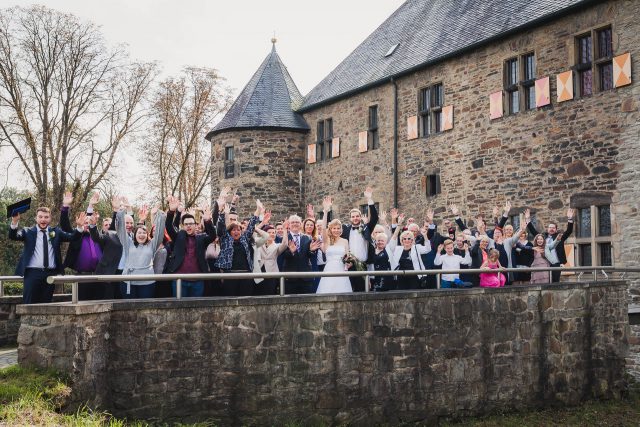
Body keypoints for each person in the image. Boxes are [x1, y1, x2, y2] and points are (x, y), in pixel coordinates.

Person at [9, 206, 85, 304]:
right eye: (40, 217)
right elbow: (13, 236)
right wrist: (14, 222)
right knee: (29, 304)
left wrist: (79, 227)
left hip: (50, 274)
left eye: (46, 217)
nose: (43, 219)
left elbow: (73, 237)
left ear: (50, 218)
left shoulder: (56, 232)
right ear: (36, 218)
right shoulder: (27, 231)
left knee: (46, 304)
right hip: (32, 274)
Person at [164, 194, 217, 298]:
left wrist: (207, 221)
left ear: (195, 225)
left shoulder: (201, 238)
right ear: (183, 226)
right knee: (179, 307)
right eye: (186, 224)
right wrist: (171, 211)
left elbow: (212, 236)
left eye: (191, 224)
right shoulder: (178, 237)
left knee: (196, 307)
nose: (189, 226)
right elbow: (169, 226)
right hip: (179, 280)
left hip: (197, 280)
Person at [327, 187, 378, 292]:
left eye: (357, 216)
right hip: (348, 265)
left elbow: (374, 218)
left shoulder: (366, 228)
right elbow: (331, 226)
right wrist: (327, 210)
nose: (355, 218)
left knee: (362, 291)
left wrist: (369, 199)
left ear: (360, 217)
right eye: (353, 216)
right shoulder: (345, 229)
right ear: (350, 218)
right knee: (348, 290)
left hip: (362, 265)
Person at [59, 191, 105, 300]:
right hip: (82, 277)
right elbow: (65, 225)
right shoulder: (77, 236)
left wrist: (91, 205)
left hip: (100, 277)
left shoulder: (98, 237)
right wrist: (65, 206)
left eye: (89, 224)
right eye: (84, 223)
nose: (87, 225)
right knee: (83, 303)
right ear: (79, 224)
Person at [117, 202, 166, 299]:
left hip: (147, 282)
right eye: (139, 232)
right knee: (129, 309)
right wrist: (121, 211)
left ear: (147, 235)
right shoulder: (128, 243)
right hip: (128, 281)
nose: (141, 234)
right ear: (135, 234)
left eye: (144, 232)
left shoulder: (152, 244)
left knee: (145, 307)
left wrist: (159, 215)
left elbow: (159, 233)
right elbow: (120, 229)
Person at [215, 198, 262, 296]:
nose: (236, 232)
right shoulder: (225, 239)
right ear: (229, 232)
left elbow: (251, 225)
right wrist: (222, 212)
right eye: (233, 230)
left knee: (245, 299)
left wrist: (258, 210)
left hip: (246, 274)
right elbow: (220, 228)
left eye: (238, 230)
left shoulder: (244, 238)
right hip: (230, 275)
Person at [89, 195, 126, 299]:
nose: (109, 226)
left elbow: (116, 224)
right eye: (106, 225)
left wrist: (116, 209)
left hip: (122, 274)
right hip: (106, 273)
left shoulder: (121, 235)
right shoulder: (106, 236)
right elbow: (96, 237)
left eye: (110, 224)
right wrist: (92, 225)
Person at [526, 207, 574, 282]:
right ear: (547, 229)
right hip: (544, 263)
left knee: (555, 282)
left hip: (555, 263)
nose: (551, 229)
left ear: (556, 229)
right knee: (545, 282)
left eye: (553, 228)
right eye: (550, 227)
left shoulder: (559, 237)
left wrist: (570, 219)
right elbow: (533, 231)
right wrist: (528, 219)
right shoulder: (542, 237)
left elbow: (569, 231)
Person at [317, 197, 352, 293]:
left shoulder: (345, 241)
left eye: (338, 228)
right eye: (334, 228)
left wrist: (349, 263)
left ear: (341, 229)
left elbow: (348, 257)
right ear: (331, 229)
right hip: (329, 269)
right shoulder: (327, 240)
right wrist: (325, 211)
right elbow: (323, 228)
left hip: (342, 270)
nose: (336, 230)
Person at [281, 214, 321, 294]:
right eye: (292, 222)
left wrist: (311, 251)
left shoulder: (307, 237)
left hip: (306, 277)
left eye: (297, 222)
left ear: (301, 224)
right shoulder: (284, 237)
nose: (295, 224)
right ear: (289, 224)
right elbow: (282, 255)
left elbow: (309, 255)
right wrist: (291, 252)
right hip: (290, 277)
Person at [253, 221, 288, 295]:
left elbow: (284, 244)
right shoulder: (259, 242)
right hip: (259, 270)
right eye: (270, 232)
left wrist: (285, 229)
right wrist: (262, 223)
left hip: (271, 272)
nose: (272, 234)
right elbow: (253, 233)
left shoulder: (277, 245)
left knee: (270, 293)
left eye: (274, 232)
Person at [370, 213, 403, 291]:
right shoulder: (372, 250)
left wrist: (399, 224)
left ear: (386, 241)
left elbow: (395, 235)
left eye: (382, 241)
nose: (380, 242)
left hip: (388, 278)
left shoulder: (389, 248)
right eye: (378, 240)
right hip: (374, 278)